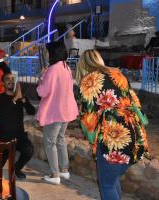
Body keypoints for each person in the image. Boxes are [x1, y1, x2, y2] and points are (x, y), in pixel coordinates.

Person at [76, 49, 149, 200]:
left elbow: (88, 117)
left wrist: (92, 138)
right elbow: (135, 101)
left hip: (113, 138)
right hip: (134, 134)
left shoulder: (89, 80)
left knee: (107, 184)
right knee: (112, 179)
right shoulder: (117, 74)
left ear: (82, 65)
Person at [36, 41, 78, 185]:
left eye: (48, 51)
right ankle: (64, 170)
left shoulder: (52, 69)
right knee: (60, 139)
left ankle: (54, 174)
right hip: (66, 110)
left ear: (53, 53)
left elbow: (42, 91)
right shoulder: (65, 67)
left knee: (50, 142)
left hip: (54, 112)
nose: (47, 54)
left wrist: (41, 78)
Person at [0, 72, 35, 179]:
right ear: (3, 83)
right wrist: (15, 99)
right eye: (7, 79)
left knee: (29, 150)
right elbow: (3, 112)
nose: (11, 81)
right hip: (4, 137)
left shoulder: (20, 98)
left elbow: (32, 111)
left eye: (13, 79)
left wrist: (24, 100)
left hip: (19, 136)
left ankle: (16, 168)